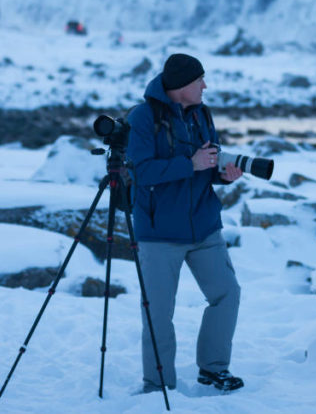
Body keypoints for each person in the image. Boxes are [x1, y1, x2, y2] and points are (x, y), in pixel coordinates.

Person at [126, 52, 245, 393]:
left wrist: (223, 173)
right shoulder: (143, 118)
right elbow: (140, 171)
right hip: (159, 233)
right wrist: (188, 165)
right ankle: (158, 385)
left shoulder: (202, 114)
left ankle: (213, 369)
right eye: (199, 80)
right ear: (180, 86)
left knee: (227, 294)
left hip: (204, 226)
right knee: (158, 312)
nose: (205, 85)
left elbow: (207, 162)